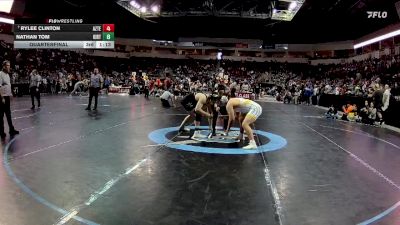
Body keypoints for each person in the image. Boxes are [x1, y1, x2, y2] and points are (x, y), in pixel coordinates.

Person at [0, 61, 19, 138]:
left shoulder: (7, 75)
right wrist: (2, 98)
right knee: (1, 115)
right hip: (2, 98)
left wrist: (10, 94)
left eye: (9, 65)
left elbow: (8, 85)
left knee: (8, 114)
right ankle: (1, 132)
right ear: (4, 66)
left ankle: (11, 130)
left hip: (7, 97)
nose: (9, 67)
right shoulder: (0, 74)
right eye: (7, 65)